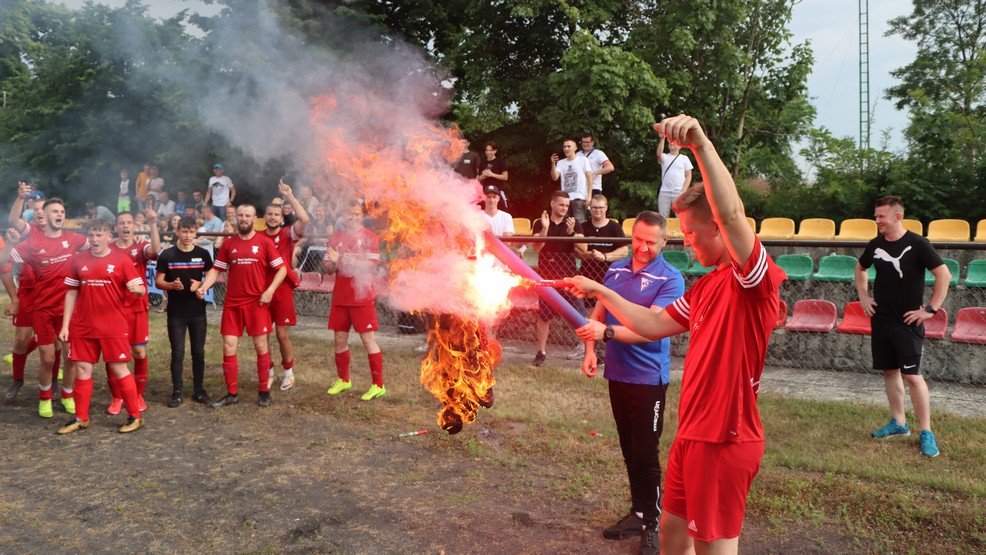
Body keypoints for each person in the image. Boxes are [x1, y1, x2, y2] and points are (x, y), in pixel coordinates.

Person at [569, 115, 786, 555]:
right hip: (692, 434)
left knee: (712, 548)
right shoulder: (704, 287)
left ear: (720, 231)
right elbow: (650, 325)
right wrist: (599, 290)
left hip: (725, 439)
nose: (686, 243)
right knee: (671, 535)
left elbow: (730, 211)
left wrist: (701, 144)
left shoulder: (753, 281)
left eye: (690, 233)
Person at [580, 211, 684, 550]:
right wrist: (590, 350)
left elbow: (652, 327)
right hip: (618, 375)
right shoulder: (615, 270)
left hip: (648, 379)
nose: (642, 247)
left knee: (646, 451)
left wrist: (606, 332)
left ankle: (653, 524)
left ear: (664, 241)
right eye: (638, 240)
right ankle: (638, 513)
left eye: (651, 242)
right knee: (629, 450)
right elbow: (599, 313)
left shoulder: (671, 279)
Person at [855, 195, 948, 458]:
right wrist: (864, 296)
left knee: (912, 377)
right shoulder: (875, 244)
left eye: (881, 216)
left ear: (897, 216)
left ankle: (926, 432)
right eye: (876, 216)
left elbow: (944, 274)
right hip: (881, 319)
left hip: (908, 321)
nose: (877, 221)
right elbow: (860, 268)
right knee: (889, 372)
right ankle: (899, 423)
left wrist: (930, 309)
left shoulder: (917, 244)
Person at [1, 198, 91, 419]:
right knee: (48, 358)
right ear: (45, 216)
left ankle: (68, 395)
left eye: (62, 211)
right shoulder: (31, 244)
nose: (60, 215)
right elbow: (3, 262)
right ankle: (44, 397)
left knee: (71, 356)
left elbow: (99, 248)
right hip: (43, 309)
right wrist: (10, 244)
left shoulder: (75, 239)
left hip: (69, 310)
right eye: (55, 212)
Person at [56, 218, 146, 434]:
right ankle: (81, 418)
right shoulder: (78, 260)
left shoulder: (122, 260)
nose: (95, 239)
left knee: (118, 369)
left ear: (109, 237)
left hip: (113, 326)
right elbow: (71, 292)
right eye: (92, 235)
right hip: (83, 325)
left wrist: (138, 290)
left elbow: (141, 289)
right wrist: (65, 325)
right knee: (83, 369)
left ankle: (135, 416)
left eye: (100, 235)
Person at [192, 204, 287, 408]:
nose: (243, 219)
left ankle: (263, 391)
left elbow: (282, 270)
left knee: (261, 346)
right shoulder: (228, 243)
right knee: (228, 346)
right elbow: (216, 270)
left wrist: (269, 291)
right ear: (236, 218)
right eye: (240, 215)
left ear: (254, 218)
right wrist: (203, 286)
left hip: (257, 303)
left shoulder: (264, 242)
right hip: (233, 303)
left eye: (247, 216)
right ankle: (232, 393)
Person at [324, 201, 386, 401]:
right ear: (344, 215)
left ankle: (378, 385)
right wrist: (333, 263)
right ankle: (344, 379)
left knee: (368, 340)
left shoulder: (370, 237)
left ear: (362, 216)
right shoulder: (335, 238)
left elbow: (372, 265)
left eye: (357, 214)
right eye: (350, 214)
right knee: (339, 339)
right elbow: (328, 269)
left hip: (362, 296)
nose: (353, 217)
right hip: (341, 297)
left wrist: (354, 262)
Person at [105, 209, 160, 414]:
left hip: (137, 307)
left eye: (129, 222)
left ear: (134, 226)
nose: (126, 226)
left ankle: (137, 394)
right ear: (116, 227)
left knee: (138, 352)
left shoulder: (140, 247)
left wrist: (153, 224)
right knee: (114, 355)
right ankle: (117, 397)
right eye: (122, 223)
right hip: (113, 309)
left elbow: (155, 249)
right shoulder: (108, 248)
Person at [156, 217, 214, 407]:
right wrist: (171, 285)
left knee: (198, 352)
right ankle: (177, 392)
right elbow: (159, 281)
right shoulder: (167, 255)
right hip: (176, 312)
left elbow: (212, 276)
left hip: (197, 311)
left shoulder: (203, 253)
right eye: (184, 231)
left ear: (195, 232)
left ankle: (199, 390)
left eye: (191, 231)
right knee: (177, 353)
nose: (188, 235)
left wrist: (202, 285)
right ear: (177, 232)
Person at [262, 180, 309, 391]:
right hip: (261, 291)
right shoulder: (257, 237)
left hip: (281, 290)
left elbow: (305, 219)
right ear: (265, 217)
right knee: (262, 335)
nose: (273, 217)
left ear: (282, 219)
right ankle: (268, 371)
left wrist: (289, 195)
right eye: (269, 214)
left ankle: (288, 371)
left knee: (282, 334)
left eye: (277, 215)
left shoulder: (287, 234)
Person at [4, 183, 48, 402]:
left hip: (51, 293)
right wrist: (20, 197)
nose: (40, 212)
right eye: (36, 209)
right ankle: (18, 378)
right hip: (29, 291)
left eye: (44, 209)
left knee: (53, 339)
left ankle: (52, 386)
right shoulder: (30, 229)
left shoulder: (61, 233)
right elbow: (13, 220)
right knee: (22, 340)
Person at [531, 191, 585, 366]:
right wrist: (545, 229)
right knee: (544, 316)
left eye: (567, 205)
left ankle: (588, 349)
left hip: (569, 278)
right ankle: (541, 352)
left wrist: (571, 233)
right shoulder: (541, 223)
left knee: (579, 314)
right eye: (561, 204)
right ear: (552, 204)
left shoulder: (573, 223)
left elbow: (583, 248)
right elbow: (537, 247)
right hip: (546, 277)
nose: (564, 208)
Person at [577, 194, 627, 284]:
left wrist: (604, 256)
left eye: (601, 207)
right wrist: (592, 255)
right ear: (590, 208)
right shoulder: (583, 227)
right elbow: (576, 252)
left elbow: (624, 251)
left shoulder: (615, 227)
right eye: (594, 207)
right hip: (587, 275)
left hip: (611, 275)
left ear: (606, 208)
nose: (597, 210)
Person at [551, 138, 594, 224]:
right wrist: (553, 164)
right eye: (564, 147)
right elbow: (555, 177)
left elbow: (589, 177)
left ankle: (581, 237)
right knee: (565, 223)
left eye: (568, 146)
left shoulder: (583, 160)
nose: (566, 149)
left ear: (575, 148)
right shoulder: (561, 163)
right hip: (565, 198)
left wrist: (589, 196)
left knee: (580, 222)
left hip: (579, 197)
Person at [656, 133, 694, 218]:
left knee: (681, 216)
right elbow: (659, 154)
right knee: (662, 217)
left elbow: (688, 176)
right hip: (664, 192)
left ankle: (681, 231)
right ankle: (663, 231)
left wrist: (684, 191)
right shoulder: (665, 157)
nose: (672, 143)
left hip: (679, 192)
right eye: (670, 142)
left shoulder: (684, 158)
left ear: (680, 146)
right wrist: (662, 138)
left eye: (674, 142)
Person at [479, 141, 509, 207]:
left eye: (491, 150)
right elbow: (478, 179)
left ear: (495, 151)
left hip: (498, 190)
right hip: (486, 191)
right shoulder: (482, 162)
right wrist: (483, 176)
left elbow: (505, 177)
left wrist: (492, 174)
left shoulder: (500, 161)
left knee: (503, 209)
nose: (488, 152)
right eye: (487, 150)